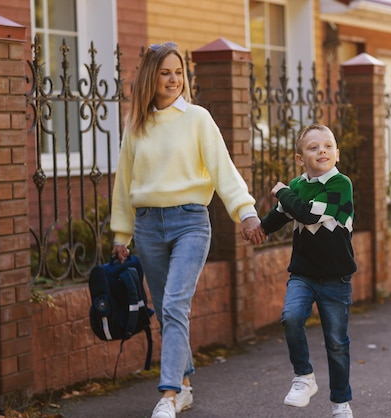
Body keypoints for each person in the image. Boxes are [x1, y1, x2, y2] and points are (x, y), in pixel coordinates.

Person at [110, 41, 265, 418]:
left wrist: (245, 211)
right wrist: (121, 234)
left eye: (178, 72)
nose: (174, 79)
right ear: (151, 76)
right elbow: (123, 182)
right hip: (147, 226)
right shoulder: (137, 125)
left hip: (190, 223)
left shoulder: (198, 118)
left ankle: (168, 395)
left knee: (176, 304)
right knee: (167, 310)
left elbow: (223, 169)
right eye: (166, 72)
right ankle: (186, 386)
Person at [255, 123, 356, 417]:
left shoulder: (340, 184)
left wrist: (281, 192)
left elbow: (307, 214)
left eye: (327, 146)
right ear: (301, 158)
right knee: (290, 317)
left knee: (336, 342)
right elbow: (280, 215)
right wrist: (259, 228)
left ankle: (340, 403)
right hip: (303, 274)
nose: (321, 151)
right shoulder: (298, 187)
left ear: (337, 152)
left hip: (336, 278)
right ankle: (304, 377)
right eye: (313, 147)